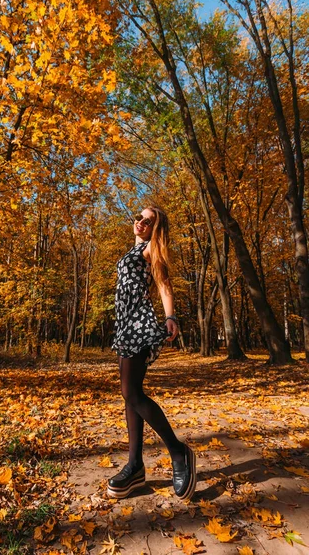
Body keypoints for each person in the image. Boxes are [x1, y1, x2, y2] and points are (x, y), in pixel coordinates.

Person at [107, 205, 196, 501]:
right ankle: (135, 467)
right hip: (124, 324)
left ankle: (178, 451)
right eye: (139, 217)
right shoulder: (133, 250)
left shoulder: (150, 251)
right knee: (129, 393)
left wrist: (171, 318)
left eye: (149, 220)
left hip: (138, 323)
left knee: (131, 393)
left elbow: (163, 284)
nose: (141, 222)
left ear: (156, 228)